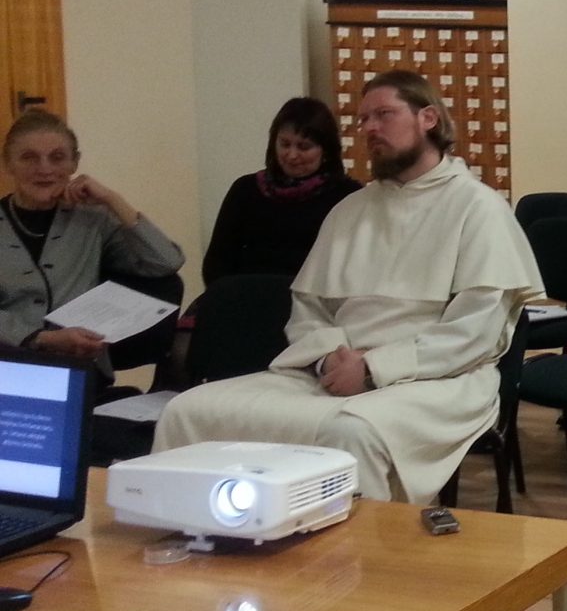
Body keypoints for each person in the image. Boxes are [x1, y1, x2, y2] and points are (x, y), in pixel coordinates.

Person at [154, 72, 540, 505]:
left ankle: (358, 548)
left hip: (440, 377)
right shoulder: (350, 210)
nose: (370, 128)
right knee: (187, 411)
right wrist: (327, 358)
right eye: (363, 119)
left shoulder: (478, 207)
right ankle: (202, 536)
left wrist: (375, 367)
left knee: (351, 432)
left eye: (384, 114)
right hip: (334, 370)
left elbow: (474, 332)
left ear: (428, 118)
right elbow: (309, 308)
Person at [0, 110, 184, 376]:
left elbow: (166, 262)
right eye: (29, 157)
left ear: (74, 163)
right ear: (8, 164)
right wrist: (41, 338)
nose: (45, 169)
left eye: (57, 157)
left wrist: (112, 199)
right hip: (10, 367)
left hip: (82, 369)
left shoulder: (93, 219)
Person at [201, 97, 361, 286]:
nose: (292, 155)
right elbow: (216, 264)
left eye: (304, 147)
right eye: (285, 144)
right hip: (246, 297)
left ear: (325, 150)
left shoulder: (347, 197)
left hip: (314, 300)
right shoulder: (245, 190)